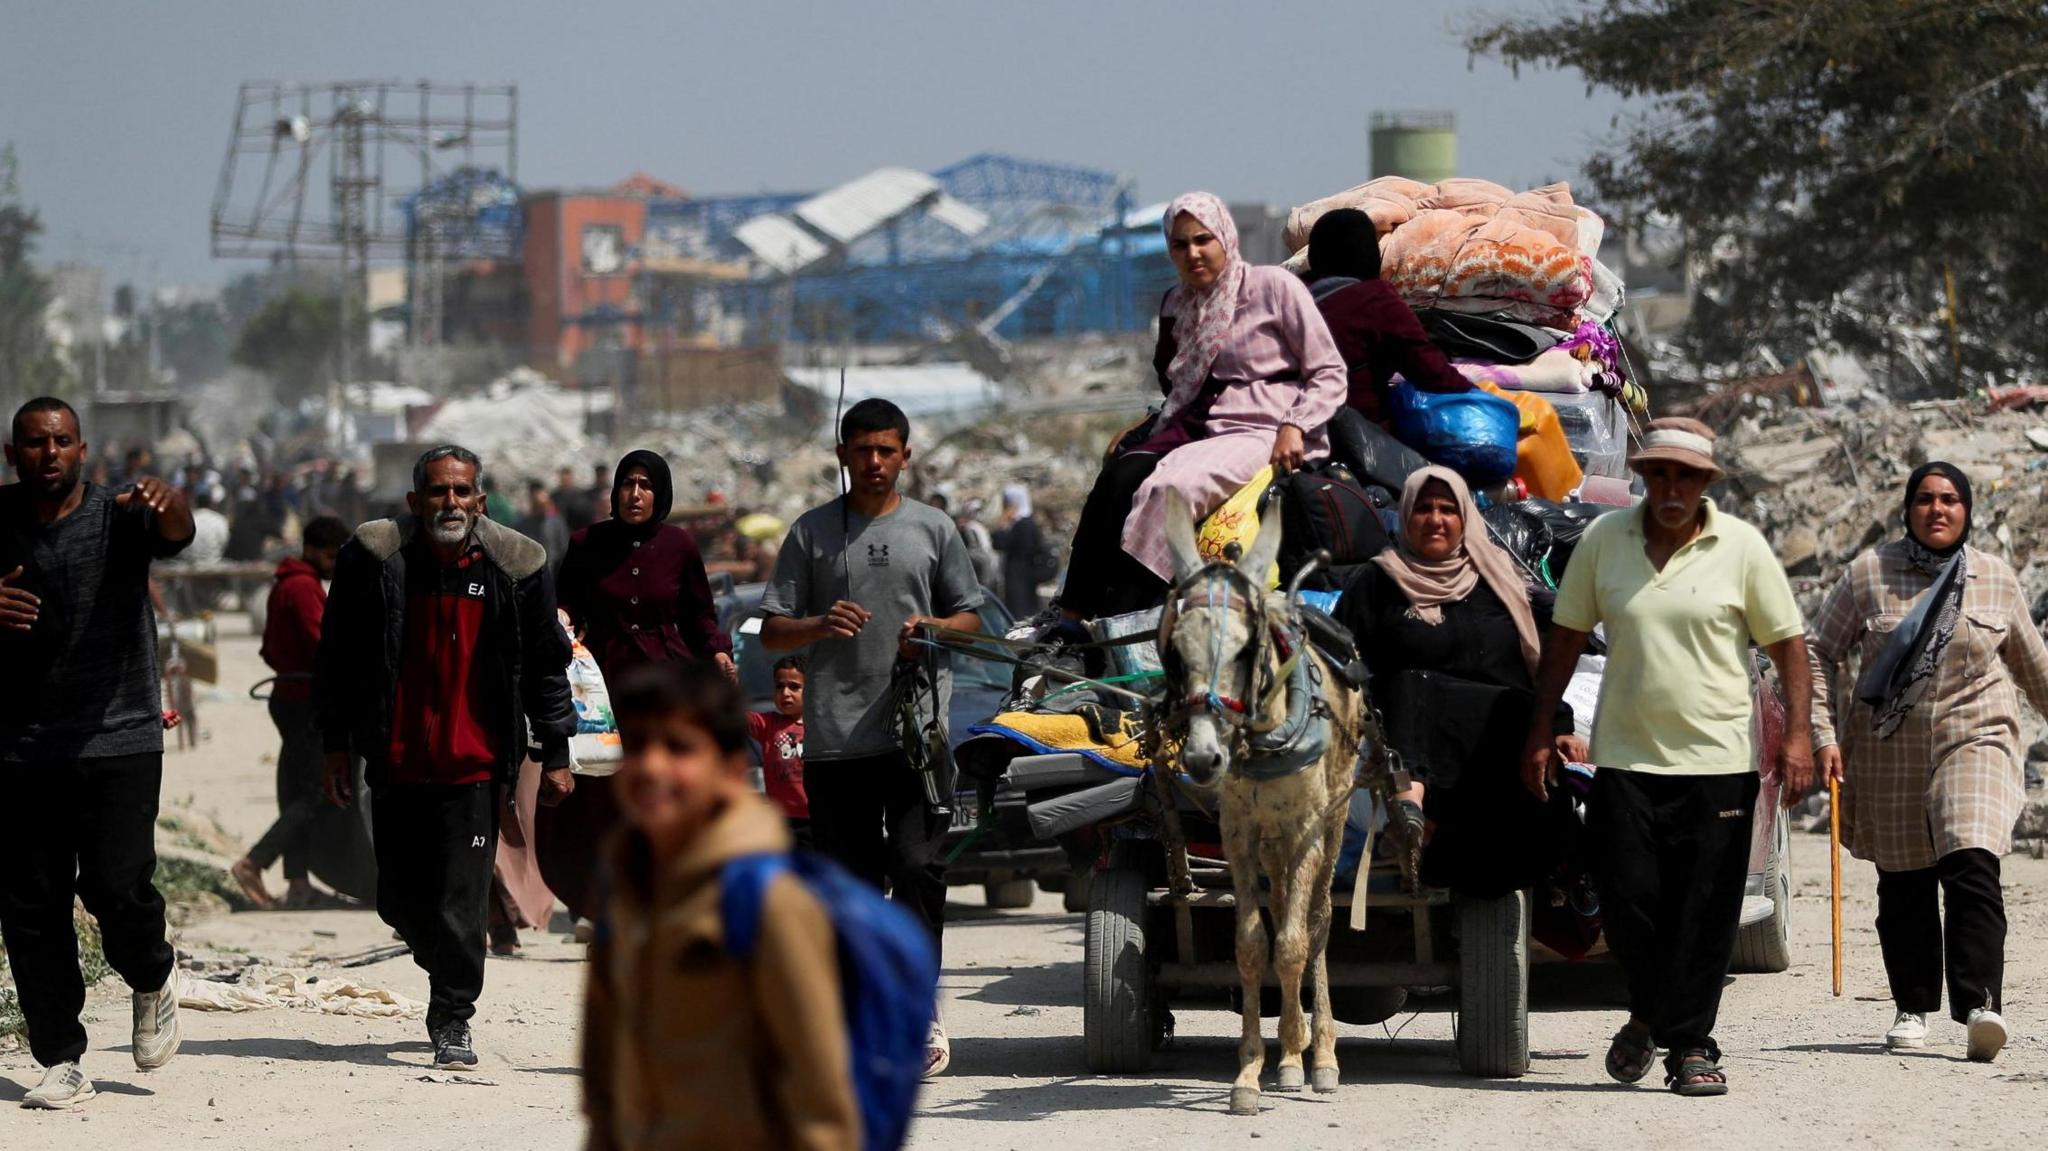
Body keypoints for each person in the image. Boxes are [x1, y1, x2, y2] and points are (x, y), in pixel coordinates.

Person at [1520, 417, 1814, 1097]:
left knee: (1703, 909)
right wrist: (1540, 727)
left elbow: (1789, 645)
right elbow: (1564, 638)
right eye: (1659, 474)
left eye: (1685, 475)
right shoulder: (1604, 542)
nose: (1671, 487)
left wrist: (1797, 735)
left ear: (1706, 482)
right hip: (1625, 758)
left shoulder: (1740, 548)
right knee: (1628, 903)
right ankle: (1653, 1010)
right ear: (1645, 478)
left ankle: (1690, 1045)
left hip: (1718, 763)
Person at [313, 444, 575, 1070]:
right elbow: (338, 658)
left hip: (477, 767)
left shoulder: (515, 565)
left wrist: (557, 747)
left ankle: (453, 1016)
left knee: (461, 898)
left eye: (461, 492)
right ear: (414, 501)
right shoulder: (376, 560)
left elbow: (545, 661)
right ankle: (448, 960)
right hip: (397, 760)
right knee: (400, 901)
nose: (449, 503)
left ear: (480, 501)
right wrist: (334, 745)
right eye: (437, 492)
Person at [760, 396, 982, 1075]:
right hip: (834, 740)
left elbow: (970, 616)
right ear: (843, 455)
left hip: (915, 738)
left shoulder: (935, 529)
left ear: (906, 455)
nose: (876, 462)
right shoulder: (810, 533)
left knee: (917, 868)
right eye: (863, 450)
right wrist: (818, 625)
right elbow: (770, 630)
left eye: (888, 450)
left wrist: (933, 632)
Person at [1808, 462, 2048, 1061]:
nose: (1937, 510)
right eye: (1924, 500)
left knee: (1971, 857)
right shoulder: (1867, 575)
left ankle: (1981, 1005)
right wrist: (1821, 732)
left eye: (1949, 500)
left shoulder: (1995, 579)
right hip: (1889, 746)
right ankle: (1912, 1005)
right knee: (1906, 879)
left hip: (1978, 736)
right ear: (1907, 510)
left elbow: (2033, 667)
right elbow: (1819, 653)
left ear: (1967, 511)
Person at [0, 397, 193, 1109]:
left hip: (120, 734)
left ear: (83, 450)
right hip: (21, 745)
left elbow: (177, 532)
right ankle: (62, 1057)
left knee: (116, 883)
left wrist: (171, 503)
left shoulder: (122, 513)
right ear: (11, 452)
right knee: (30, 905)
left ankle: (151, 971)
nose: (48, 453)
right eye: (33, 442)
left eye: (61, 441)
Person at [582, 662, 858, 1150]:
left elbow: (821, 1094)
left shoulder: (770, 901)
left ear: (730, 770)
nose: (651, 766)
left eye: (679, 748)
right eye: (638, 744)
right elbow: (604, 1079)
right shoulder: (626, 888)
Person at [1057, 192, 1346, 621]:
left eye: (1203, 240)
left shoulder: (1273, 287)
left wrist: (1295, 425)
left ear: (1225, 238)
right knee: (1119, 475)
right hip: (1199, 421)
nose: (1193, 253)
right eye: (1180, 244)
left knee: (1167, 491)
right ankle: (1075, 611)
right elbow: (1178, 383)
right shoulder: (1178, 304)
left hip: (1264, 423)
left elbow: (1329, 371)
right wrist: (1146, 425)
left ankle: (1125, 618)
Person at [1340, 466, 1584, 890]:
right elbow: (1339, 664)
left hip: (1495, 738)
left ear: (1465, 518)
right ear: (1405, 516)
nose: (1436, 519)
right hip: (1413, 741)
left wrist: (1559, 727)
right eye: (1424, 508)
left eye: (1448, 509)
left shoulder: (1498, 578)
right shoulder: (1377, 581)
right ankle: (1408, 813)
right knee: (1409, 683)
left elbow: (1536, 665)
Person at [545, 450, 735, 922]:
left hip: (665, 692)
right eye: (627, 483)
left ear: (661, 493)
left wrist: (717, 650)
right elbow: (564, 602)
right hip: (601, 696)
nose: (635, 494)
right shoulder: (587, 543)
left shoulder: (679, 547)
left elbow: (699, 614)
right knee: (602, 803)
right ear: (614, 492)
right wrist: (564, 617)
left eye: (646, 485)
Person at [232, 515, 352, 909]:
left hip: (286, 695)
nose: (335, 564)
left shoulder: (284, 584)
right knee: (314, 793)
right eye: (332, 556)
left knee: (296, 789)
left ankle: (298, 882)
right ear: (314, 551)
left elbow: (267, 649)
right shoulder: (303, 588)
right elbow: (327, 646)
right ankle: (255, 862)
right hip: (305, 701)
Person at [1302, 207, 1474, 425]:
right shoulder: (1373, 299)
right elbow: (1429, 371)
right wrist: (1485, 399)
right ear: (1369, 254)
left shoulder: (1286, 297)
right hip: (1350, 436)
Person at [749, 655, 810, 844]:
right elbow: (734, 716)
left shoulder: (819, 724)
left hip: (814, 819)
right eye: (779, 686)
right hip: (780, 820)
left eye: (794, 687)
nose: (785, 693)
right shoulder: (768, 724)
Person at [991, 483, 1045, 617]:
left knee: (1019, 614)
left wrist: (1002, 523)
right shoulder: (1023, 523)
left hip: (1020, 578)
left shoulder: (1023, 525)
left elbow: (1000, 543)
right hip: (1021, 577)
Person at [519, 480, 571, 579]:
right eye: (538, 506)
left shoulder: (557, 523)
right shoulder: (523, 524)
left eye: (544, 505)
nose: (542, 508)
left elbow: (563, 545)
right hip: (531, 567)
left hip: (553, 566)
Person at [554, 465, 595, 532]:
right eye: (563, 478)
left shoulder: (580, 495)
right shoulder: (555, 496)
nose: (565, 480)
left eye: (567, 477)